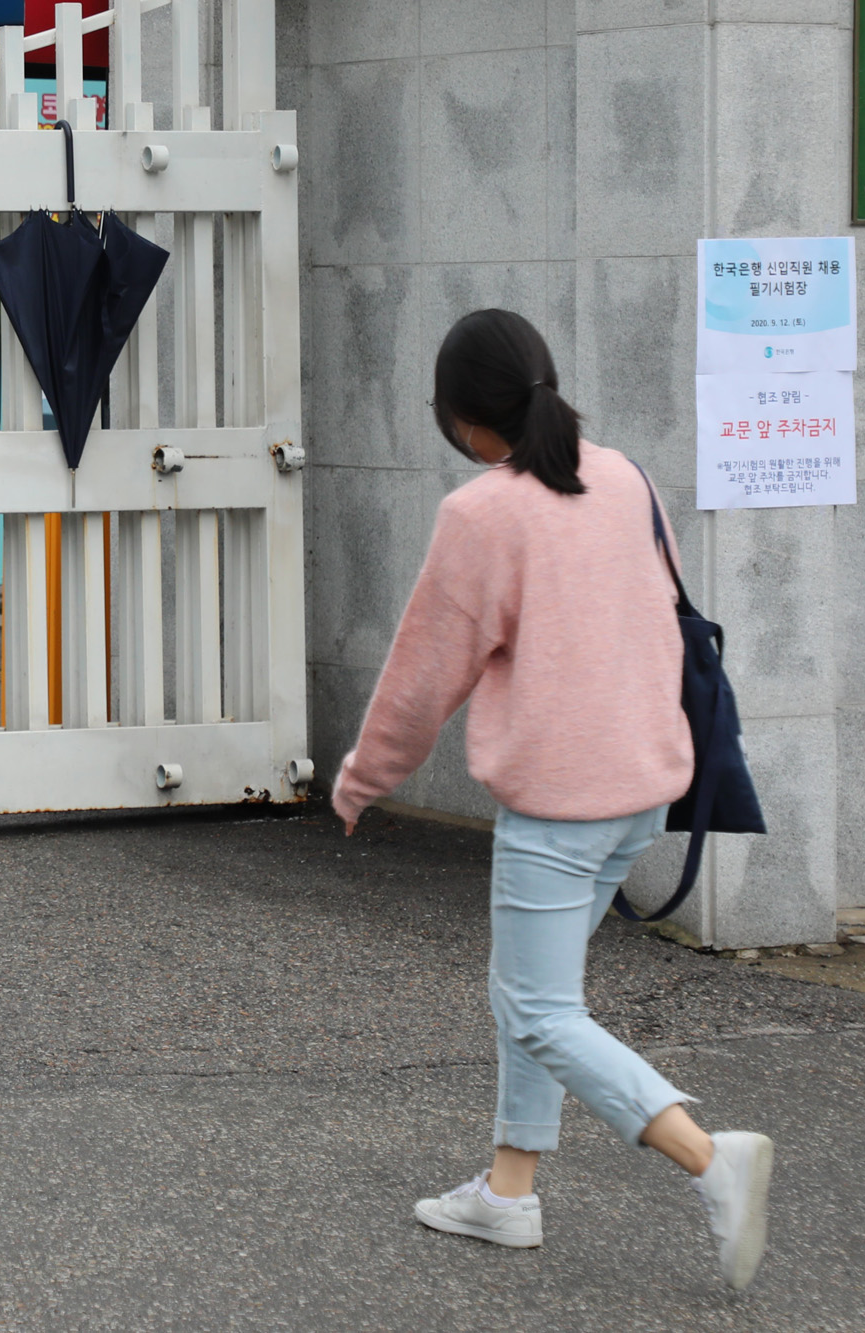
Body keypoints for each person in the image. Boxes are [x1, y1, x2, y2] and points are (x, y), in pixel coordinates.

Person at [330, 309, 776, 1290]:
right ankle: (505, 1191)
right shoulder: (621, 476)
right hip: (643, 788)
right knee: (529, 994)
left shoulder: (481, 514)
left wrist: (360, 779)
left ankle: (710, 1160)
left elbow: (418, 679)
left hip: (559, 803)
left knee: (536, 1008)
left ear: (455, 418)